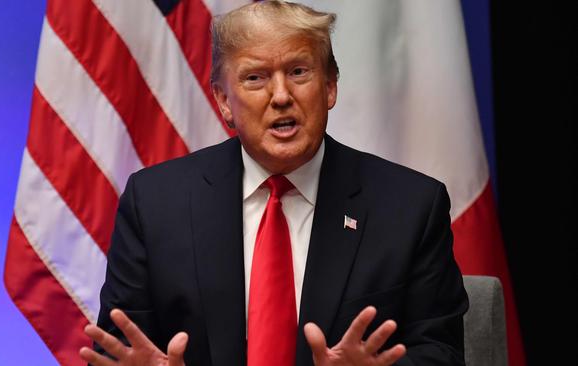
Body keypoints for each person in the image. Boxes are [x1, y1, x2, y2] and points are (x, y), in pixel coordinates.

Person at [79, 1, 468, 365]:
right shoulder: (155, 203)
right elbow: (120, 348)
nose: (281, 96)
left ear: (330, 86)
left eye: (299, 71)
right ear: (224, 101)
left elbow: (442, 351)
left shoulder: (410, 206)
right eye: (255, 77)